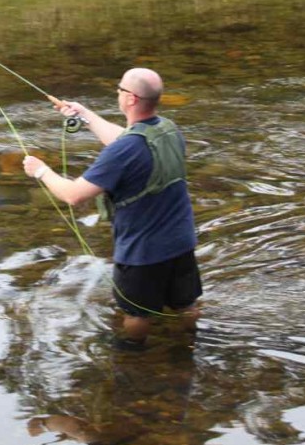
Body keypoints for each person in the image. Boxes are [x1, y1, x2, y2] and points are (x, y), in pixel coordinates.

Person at [23, 67, 202, 348]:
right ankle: (190, 340)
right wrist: (85, 115)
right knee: (186, 302)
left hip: (142, 253)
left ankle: (132, 351)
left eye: (119, 89)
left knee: (136, 312)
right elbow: (128, 138)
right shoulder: (168, 130)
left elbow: (73, 195)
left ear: (130, 98)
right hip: (182, 241)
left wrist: (40, 171)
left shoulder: (123, 151)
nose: (117, 93)